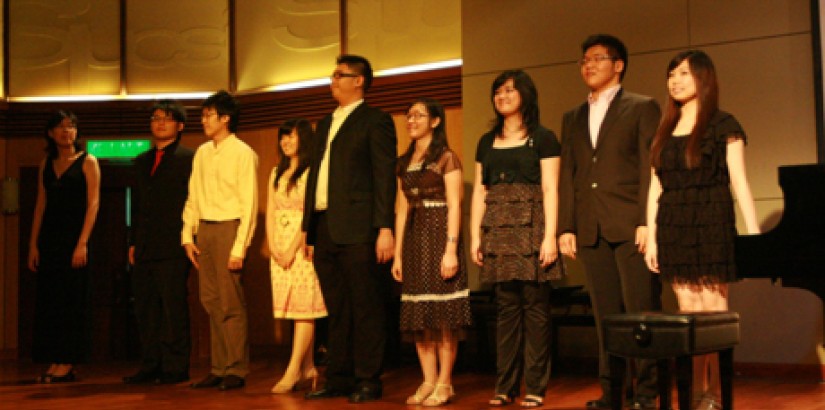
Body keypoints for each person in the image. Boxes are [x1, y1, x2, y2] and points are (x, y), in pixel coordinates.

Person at [644, 50, 758, 410]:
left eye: (683, 74)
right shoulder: (664, 129)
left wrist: (754, 235)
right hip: (673, 223)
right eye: (671, 74)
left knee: (713, 313)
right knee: (687, 313)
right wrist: (651, 234)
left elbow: (740, 183)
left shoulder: (724, 124)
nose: (675, 80)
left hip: (711, 219)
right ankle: (695, 391)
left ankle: (714, 393)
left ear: (703, 79)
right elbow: (655, 186)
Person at [558, 34, 661, 410]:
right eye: (584, 59)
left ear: (618, 65)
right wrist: (565, 227)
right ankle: (613, 390)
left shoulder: (642, 106)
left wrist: (647, 221)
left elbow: (651, 167)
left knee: (640, 311)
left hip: (631, 223)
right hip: (590, 226)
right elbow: (568, 174)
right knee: (606, 316)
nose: (589, 65)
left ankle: (647, 392)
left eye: (598, 58)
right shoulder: (573, 116)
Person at [302, 54, 397, 404]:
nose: (332, 80)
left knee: (365, 305)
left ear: (358, 81)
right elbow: (315, 177)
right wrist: (308, 229)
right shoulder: (326, 122)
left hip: (359, 227)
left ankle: (369, 378)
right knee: (336, 307)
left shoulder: (376, 121)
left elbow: (384, 177)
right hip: (325, 225)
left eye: (339, 75)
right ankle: (338, 377)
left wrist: (384, 227)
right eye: (333, 74)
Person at [470, 70, 562, 409]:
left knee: (535, 309)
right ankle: (504, 386)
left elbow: (551, 188)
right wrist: (475, 235)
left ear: (526, 94)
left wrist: (550, 235)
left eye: (510, 90)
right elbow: (481, 190)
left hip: (532, 224)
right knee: (506, 310)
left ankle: (536, 385)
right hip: (498, 227)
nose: (502, 96)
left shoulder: (544, 137)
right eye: (497, 91)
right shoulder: (486, 140)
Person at [391, 98, 472, 407]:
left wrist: (451, 249)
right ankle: (427, 379)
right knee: (420, 315)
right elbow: (401, 210)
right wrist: (398, 254)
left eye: (419, 115)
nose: (412, 120)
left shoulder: (446, 158)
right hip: (413, 239)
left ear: (435, 121)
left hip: (440, 236)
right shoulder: (403, 161)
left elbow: (455, 205)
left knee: (443, 316)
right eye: (408, 114)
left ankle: (445, 382)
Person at [182, 90, 258, 391]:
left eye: (208, 115)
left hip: (229, 227)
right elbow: (193, 195)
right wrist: (188, 235)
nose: (204, 120)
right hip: (206, 228)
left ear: (225, 118)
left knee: (230, 302)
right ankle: (218, 366)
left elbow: (249, 203)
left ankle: (236, 369)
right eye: (203, 115)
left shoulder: (242, 152)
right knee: (210, 300)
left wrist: (240, 247)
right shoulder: (201, 152)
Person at [123, 100, 194, 385]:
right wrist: (132, 242)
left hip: (174, 245)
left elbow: (193, 202)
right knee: (146, 308)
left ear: (180, 125)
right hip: (144, 246)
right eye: (155, 118)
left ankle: (176, 367)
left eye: (166, 118)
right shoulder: (141, 161)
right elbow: (138, 205)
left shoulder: (190, 158)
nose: (160, 123)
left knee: (172, 308)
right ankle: (150, 364)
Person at [27, 111, 101, 383]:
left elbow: (93, 204)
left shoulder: (88, 161)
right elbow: (40, 205)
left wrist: (82, 242)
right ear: (50, 133)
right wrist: (33, 245)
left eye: (70, 126)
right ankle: (55, 358)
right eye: (59, 127)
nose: (66, 131)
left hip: (75, 240)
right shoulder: (46, 162)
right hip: (50, 241)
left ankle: (68, 362)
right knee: (51, 302)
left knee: (72, 301)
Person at [267, 119, 327, 394]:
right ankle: (308, 367)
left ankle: (292, 370)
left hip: (303, 244)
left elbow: (310, 210)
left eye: (290, 137)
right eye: (282, 138)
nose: (285, 142)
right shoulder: (275, 173)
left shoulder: (311, 171)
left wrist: (292, 247)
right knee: (291, 308)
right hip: (278, 247)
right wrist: (273, 245)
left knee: (306, 307)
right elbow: (270, 210)